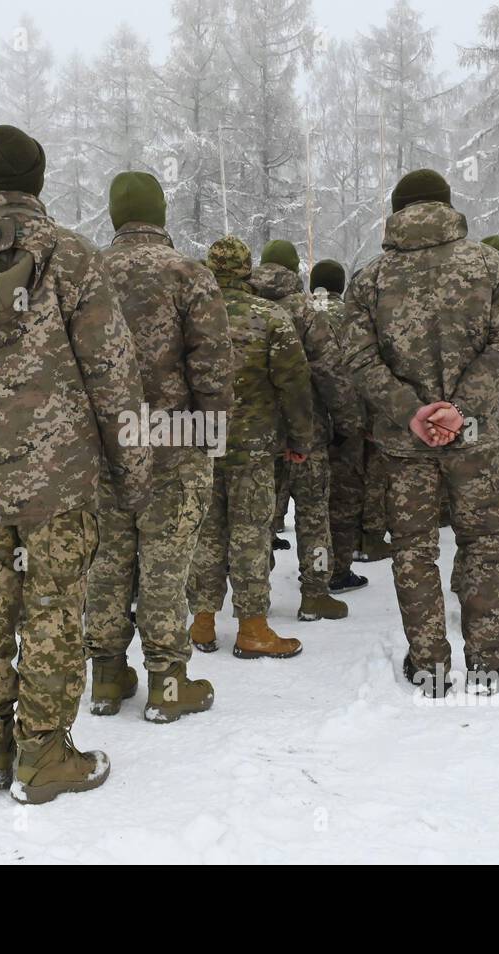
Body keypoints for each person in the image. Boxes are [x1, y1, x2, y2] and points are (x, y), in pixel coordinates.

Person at [0, 125, 149, 802]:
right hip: (60, 478)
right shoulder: (71, 258)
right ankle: (44, 751)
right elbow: (113, 374)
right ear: (38, 179)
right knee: (51, 607)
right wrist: (131, 472)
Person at [344, 169, 499, 697]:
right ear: (448, 206)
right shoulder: (493, 267)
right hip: (473, 435)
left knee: (413, 550)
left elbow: (356, 354)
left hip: (407, 443)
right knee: (485, 544)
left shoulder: (371, 279)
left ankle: (428, 666)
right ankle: (488, 661)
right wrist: (460, 408)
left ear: (397, 210)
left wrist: (410, 410)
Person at [83, 171, 234, 722]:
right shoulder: (189, 274)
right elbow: (213, 368)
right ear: (160, 214)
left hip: (103, 447)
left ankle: (105, 677)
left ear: (114, 215)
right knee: (166, 567)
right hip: (174, 442)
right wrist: (212, 436)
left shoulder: (84, 273)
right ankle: (168, 685)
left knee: (106, 564)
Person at [187, 236, 314, 659]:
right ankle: (253, 626)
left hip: (200, 441)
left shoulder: (190, 314)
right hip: (254, 447)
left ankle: (202, 622)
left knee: (206, 532)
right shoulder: (270, 317)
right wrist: (300, 438)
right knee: (250, 534)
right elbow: (294, 384)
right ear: (247, 269)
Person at [253, 240, 361, 621]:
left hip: (258, 434)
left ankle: (254, 595)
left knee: (260, 516)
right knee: (314, 516)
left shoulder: (246, 306)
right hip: (309, 431)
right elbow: (330, 372)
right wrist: (348, 422)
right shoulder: (305, 311)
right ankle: (315, 592)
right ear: (293, 269)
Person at [310, 259, 371, 593]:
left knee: (311, 505)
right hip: (347, 421)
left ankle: (314, 569)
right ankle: (337, 571)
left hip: (306, 423)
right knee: (344, 501)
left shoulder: (300, 313)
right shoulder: (351, 317)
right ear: (341, 285)